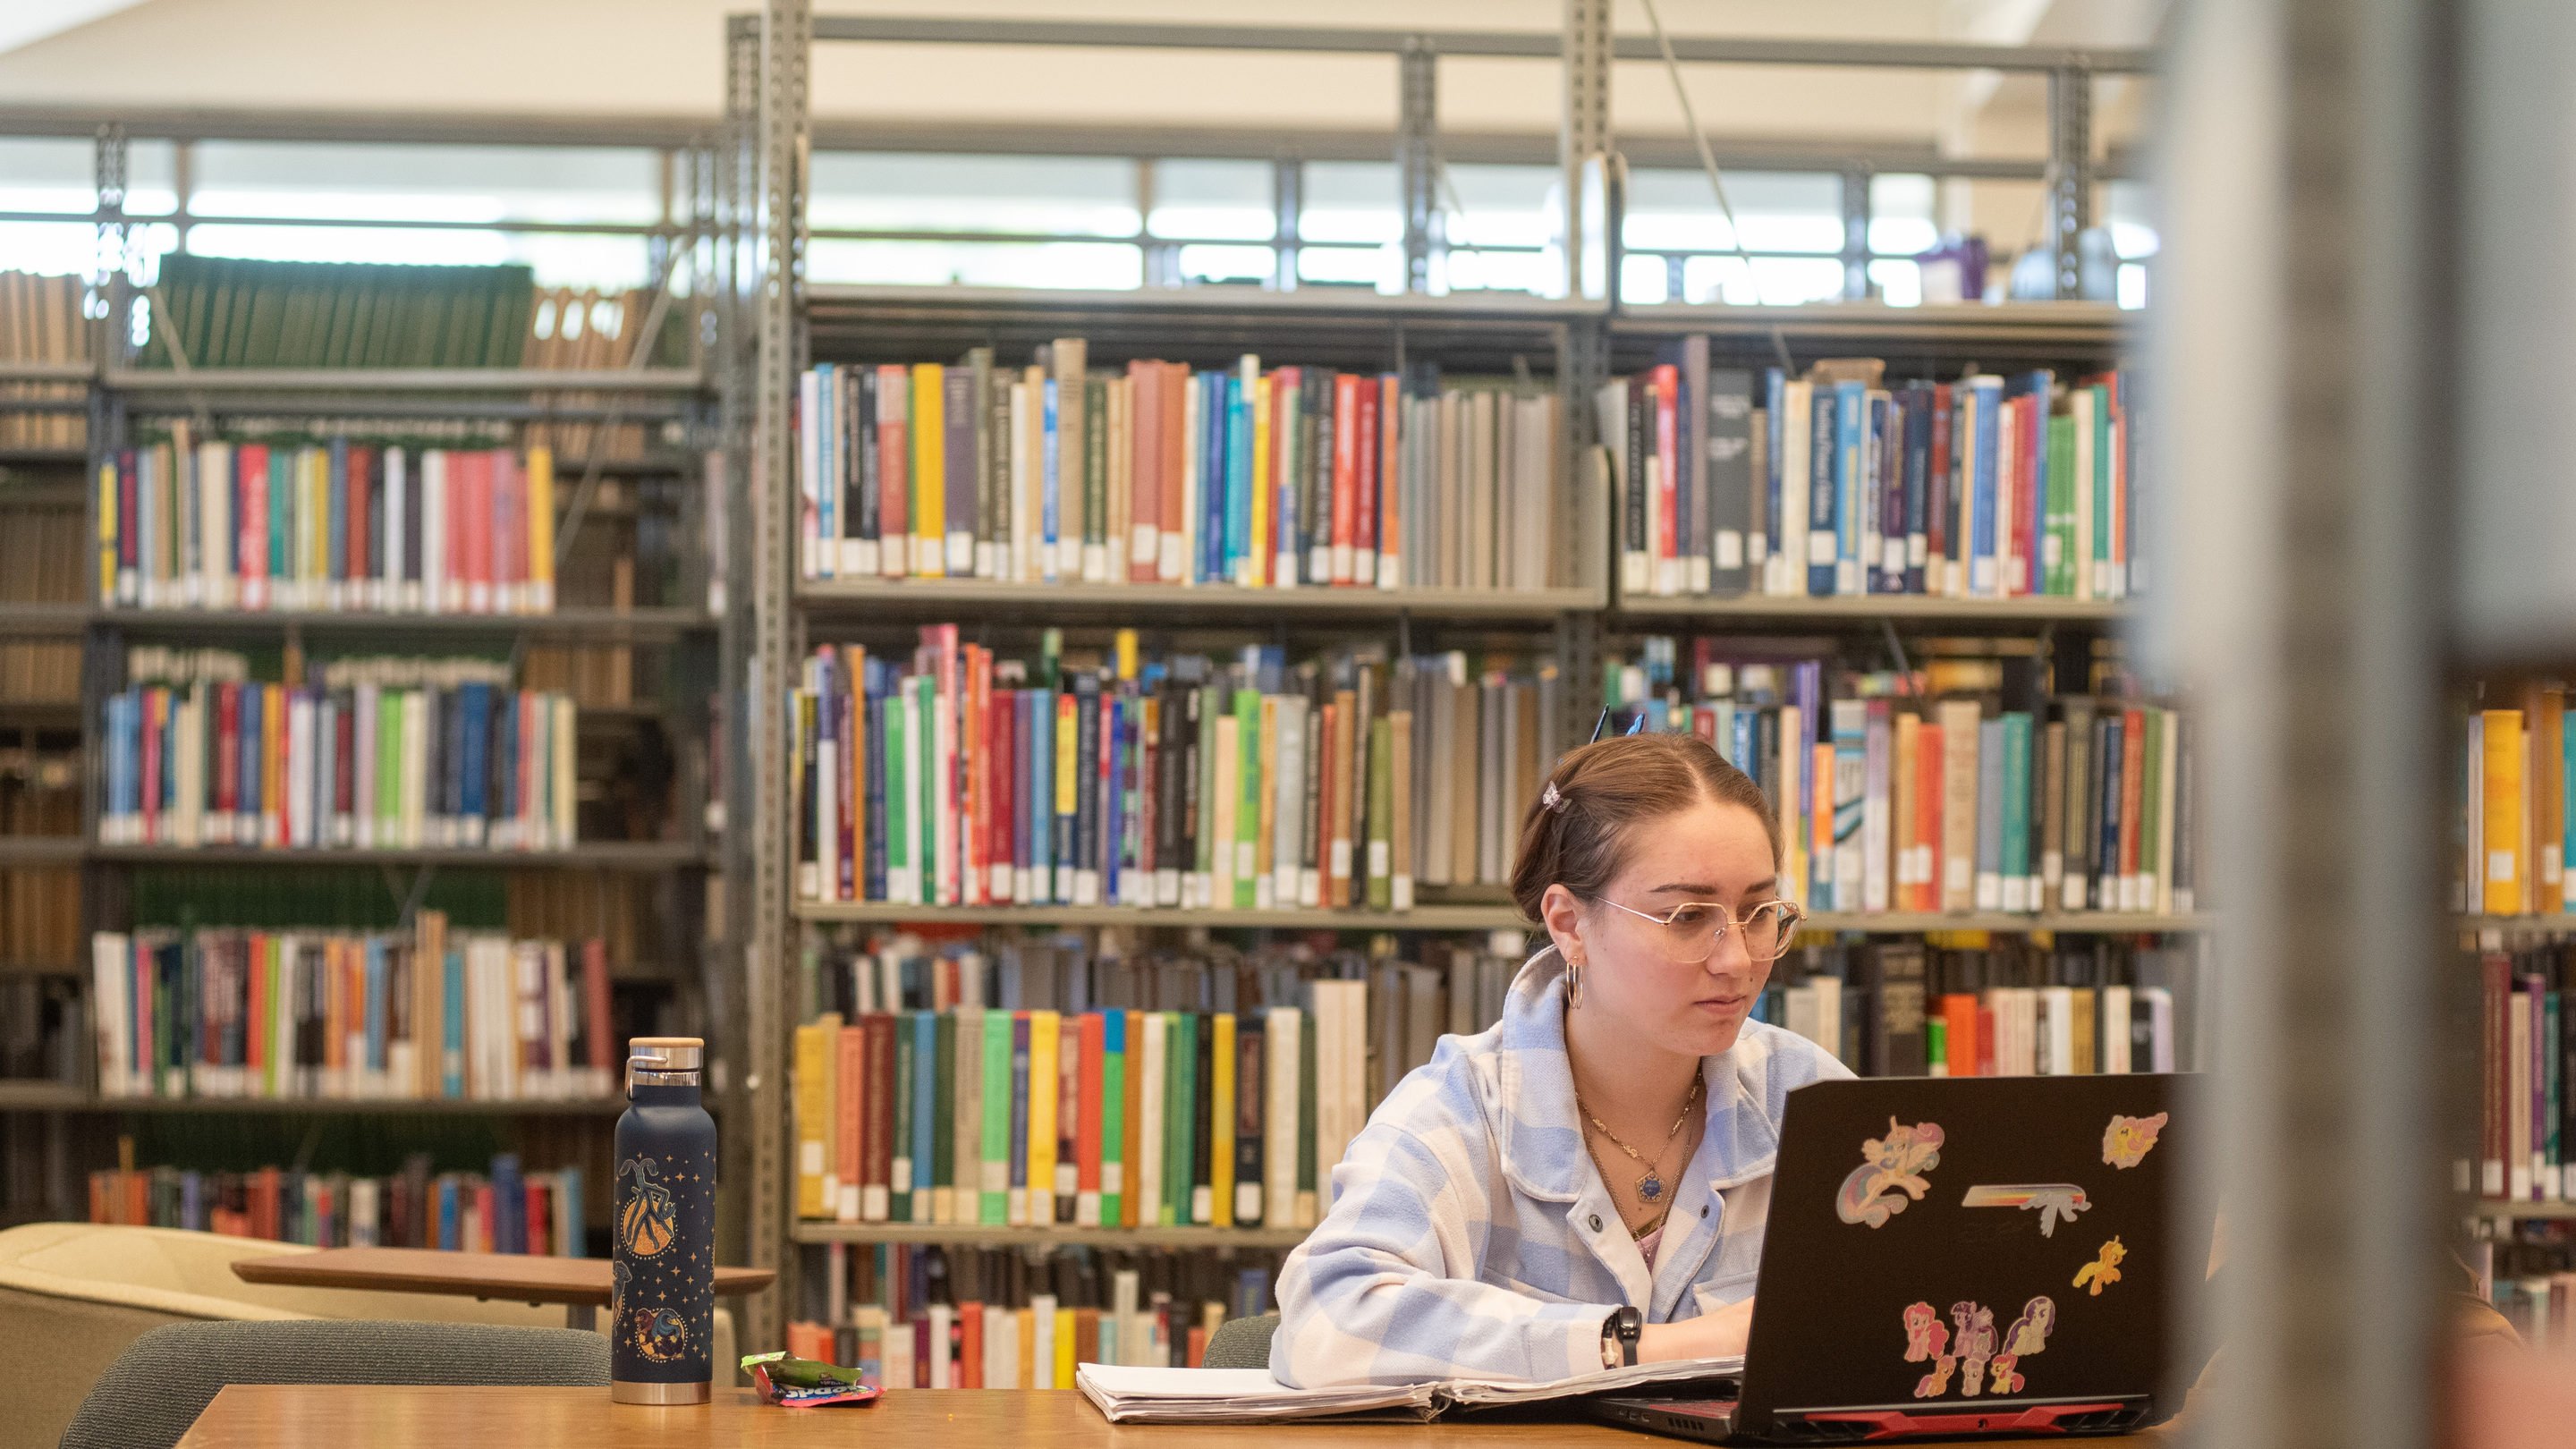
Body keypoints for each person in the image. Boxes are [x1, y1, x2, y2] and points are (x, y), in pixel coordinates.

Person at [1270, 731, 1851, 1388]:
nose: (1738, 959)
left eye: (1759, 912)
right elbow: (1329, 1323)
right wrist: (1642, 1349)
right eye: (1688, 916)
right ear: (1570, 924)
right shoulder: (1464, 1107)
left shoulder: (1812, 1100)